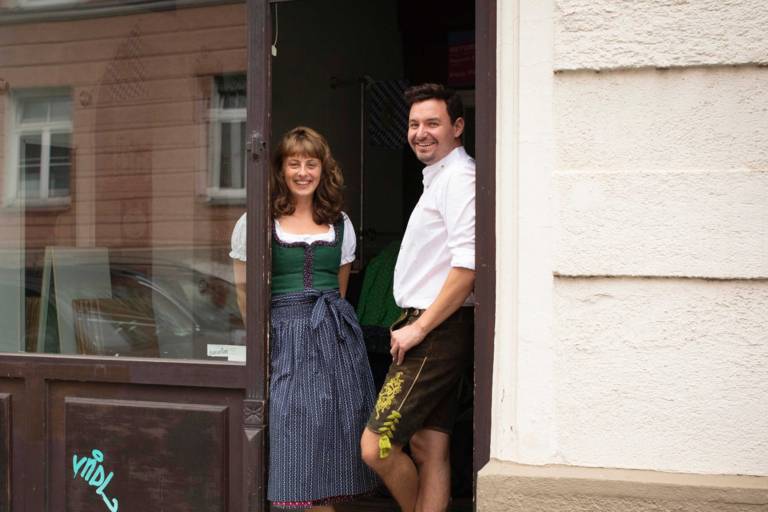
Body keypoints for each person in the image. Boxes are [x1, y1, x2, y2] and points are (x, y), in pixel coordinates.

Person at [230, 126, 378, 510]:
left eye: (310, 163)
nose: (302, 172)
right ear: (280, 169)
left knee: (333, 444)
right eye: (293, 163)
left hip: (334, 341)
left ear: (322, 169)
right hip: (284, 339)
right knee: (291, 440)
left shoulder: (339, 222)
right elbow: (244, 291)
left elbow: (339, 292)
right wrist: (264, 345)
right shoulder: (259, 220)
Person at [360, 83, 475, 512]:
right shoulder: (441, 179)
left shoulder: (460, 180)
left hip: (434, 330)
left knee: (376, 446)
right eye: (413, 124)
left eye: (432, 123)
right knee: (430, 449)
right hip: (432, 327)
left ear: (457, 127)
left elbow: (469, 266)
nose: (420, 132)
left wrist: (419, 329)